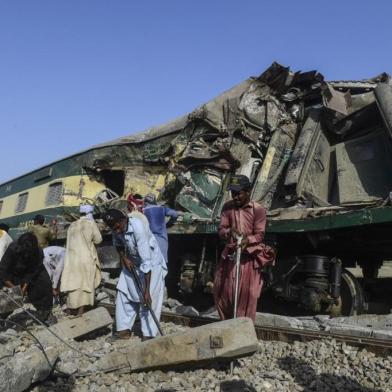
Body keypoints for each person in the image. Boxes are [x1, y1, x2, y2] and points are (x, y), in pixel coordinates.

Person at [213, 175, 275, 322]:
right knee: (224, 292)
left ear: (248, 191)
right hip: (231, 256)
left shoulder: (258, 210)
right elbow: (222, 230)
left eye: (238, 193)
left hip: (249, 258)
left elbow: (259, 234)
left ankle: (243, 328)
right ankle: (227, 324)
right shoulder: (227, 207)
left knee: (248, 295)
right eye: (233, 193)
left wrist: (248, 240)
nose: (235, 197)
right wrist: (230, 232)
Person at [102, 208, 166, 340]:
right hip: (132, 262)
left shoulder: (138, 228)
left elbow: (147, 263)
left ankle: (148, 334)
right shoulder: (116, 228)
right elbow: (119, 245)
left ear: (123, 220)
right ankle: (123, 330)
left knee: (147, 300)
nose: (116, 231)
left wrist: (146, 291)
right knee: (123, 293)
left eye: (118, 227)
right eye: (113, 228)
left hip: (151, 264)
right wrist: (124, 258)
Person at [0, 232, 53, 321]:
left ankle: (45, 311)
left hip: (29, 272)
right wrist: (15, 288)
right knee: (9, 296)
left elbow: (33, 271)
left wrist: (24, 287)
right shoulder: (12, 249)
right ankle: (2, 315)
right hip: (13, 273)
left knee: (44, 282)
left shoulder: (38, 252)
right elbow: (3, 270)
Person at [60, 205, 102, 315]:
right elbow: (98, 240)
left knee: (73, 285)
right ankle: (80, 311)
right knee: (85, 285)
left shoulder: (72, 226)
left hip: (72, 260)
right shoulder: (90, 224)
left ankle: (70, 309)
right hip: (86, 259)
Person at [143, 193, 181, 263]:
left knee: (149, 263)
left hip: (147, 240)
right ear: (154, 201)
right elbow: (174, 214)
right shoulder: (162, 209)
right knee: (161, 263)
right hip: (161, 240)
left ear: (145, 201)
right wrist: (170, 223)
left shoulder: (143, 211)